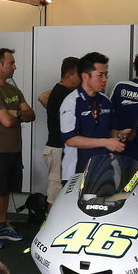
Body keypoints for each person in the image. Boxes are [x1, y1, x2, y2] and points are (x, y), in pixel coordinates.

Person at [0, 48, 35, 249]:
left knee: (5, 189)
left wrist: (16, 113)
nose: (15, 66)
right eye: (11, 63)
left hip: (14, 148)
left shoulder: (13, 90)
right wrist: (19, 114)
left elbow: (32, 115)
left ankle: (2, 225)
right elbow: (6, 122)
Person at [59, 52, 128, 180]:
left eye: (106, 75)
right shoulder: (71, 102)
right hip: (76, 173)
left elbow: (110, 131)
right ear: (85, 76)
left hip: (104, 171)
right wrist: (106, 143)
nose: (104, 79)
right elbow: (71, 140)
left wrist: (119, 134)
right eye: (100, 75)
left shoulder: (105, 101)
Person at [38, 57, 80, 206]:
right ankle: (48, 225)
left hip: (61, 150)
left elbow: (42, 97)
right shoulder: (62, 95)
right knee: (55, 195)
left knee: (64, 191)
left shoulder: (59, 91)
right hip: (57, 150)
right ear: (70, 74)